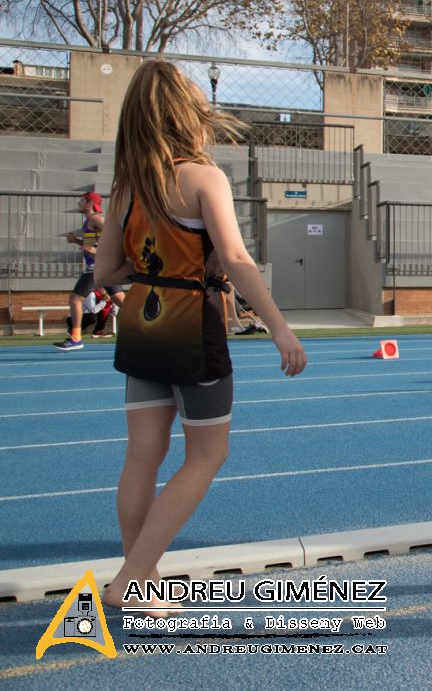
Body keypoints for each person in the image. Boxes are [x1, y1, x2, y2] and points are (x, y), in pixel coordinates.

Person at [92, 60, 306, 615]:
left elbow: (105, 275)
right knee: (207, 455)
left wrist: (155, 259)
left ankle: (137, 575)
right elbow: (235, 258)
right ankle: (131, 579)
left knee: (142, 456)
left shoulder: (125, 189)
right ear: (187, 113)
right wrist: (279, 327)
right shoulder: (202, 176)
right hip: (192, 319)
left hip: (140, 318)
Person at [54, 192, 127, 350]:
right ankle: (152, 327)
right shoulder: (89, 222)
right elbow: (94, 243)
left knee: (75, 299)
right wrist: (77, 241)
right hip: (103, 267)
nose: (79, 203)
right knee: (123, 302)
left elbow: (116, 236)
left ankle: (76, 338)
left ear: (89, 204)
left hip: (97, 267)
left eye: (82, 201)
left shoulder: (96, 219)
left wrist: (95, 251)